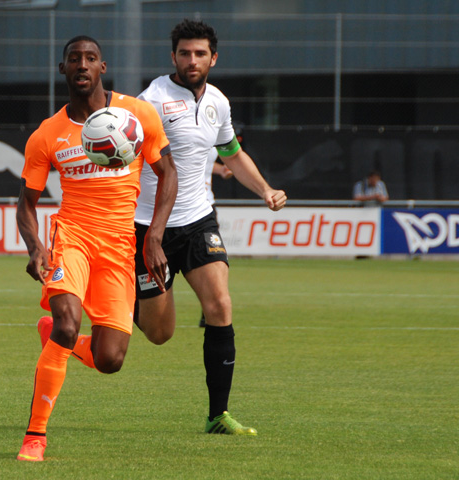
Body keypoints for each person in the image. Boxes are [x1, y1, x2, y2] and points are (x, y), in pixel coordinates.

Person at [15, 35, 177, 462]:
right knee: (67, 324)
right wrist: (35, 247)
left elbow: (168, 173)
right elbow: (26, 203)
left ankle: (60, 338)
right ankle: (35, 436)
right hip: (73, 238)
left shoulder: (137, 115)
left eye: (90, 58)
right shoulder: (47, 134)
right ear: (63, 69)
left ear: (103, 67)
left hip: (120, 245)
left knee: (110, 359)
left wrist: (154, 236)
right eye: (74, 59)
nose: (82, 65)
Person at [134, 19, 287, 436]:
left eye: (200, 53)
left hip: (199, 220)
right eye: (184, 53)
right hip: (149, 228)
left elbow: (231, 153)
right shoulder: (151, 101)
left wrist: (265, 189)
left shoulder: (218, 101)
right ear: (173, 57)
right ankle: (127, 299)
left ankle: (217, 415)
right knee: (159, 334)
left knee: (219, 304)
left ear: (213, 58)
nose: (192, 60)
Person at [199, 147, 233, 327]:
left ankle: (209, 312)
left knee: (214, 260)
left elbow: (205, 162)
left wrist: (221, 170)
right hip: (175, 209)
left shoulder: (216, 133)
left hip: (206, 209)